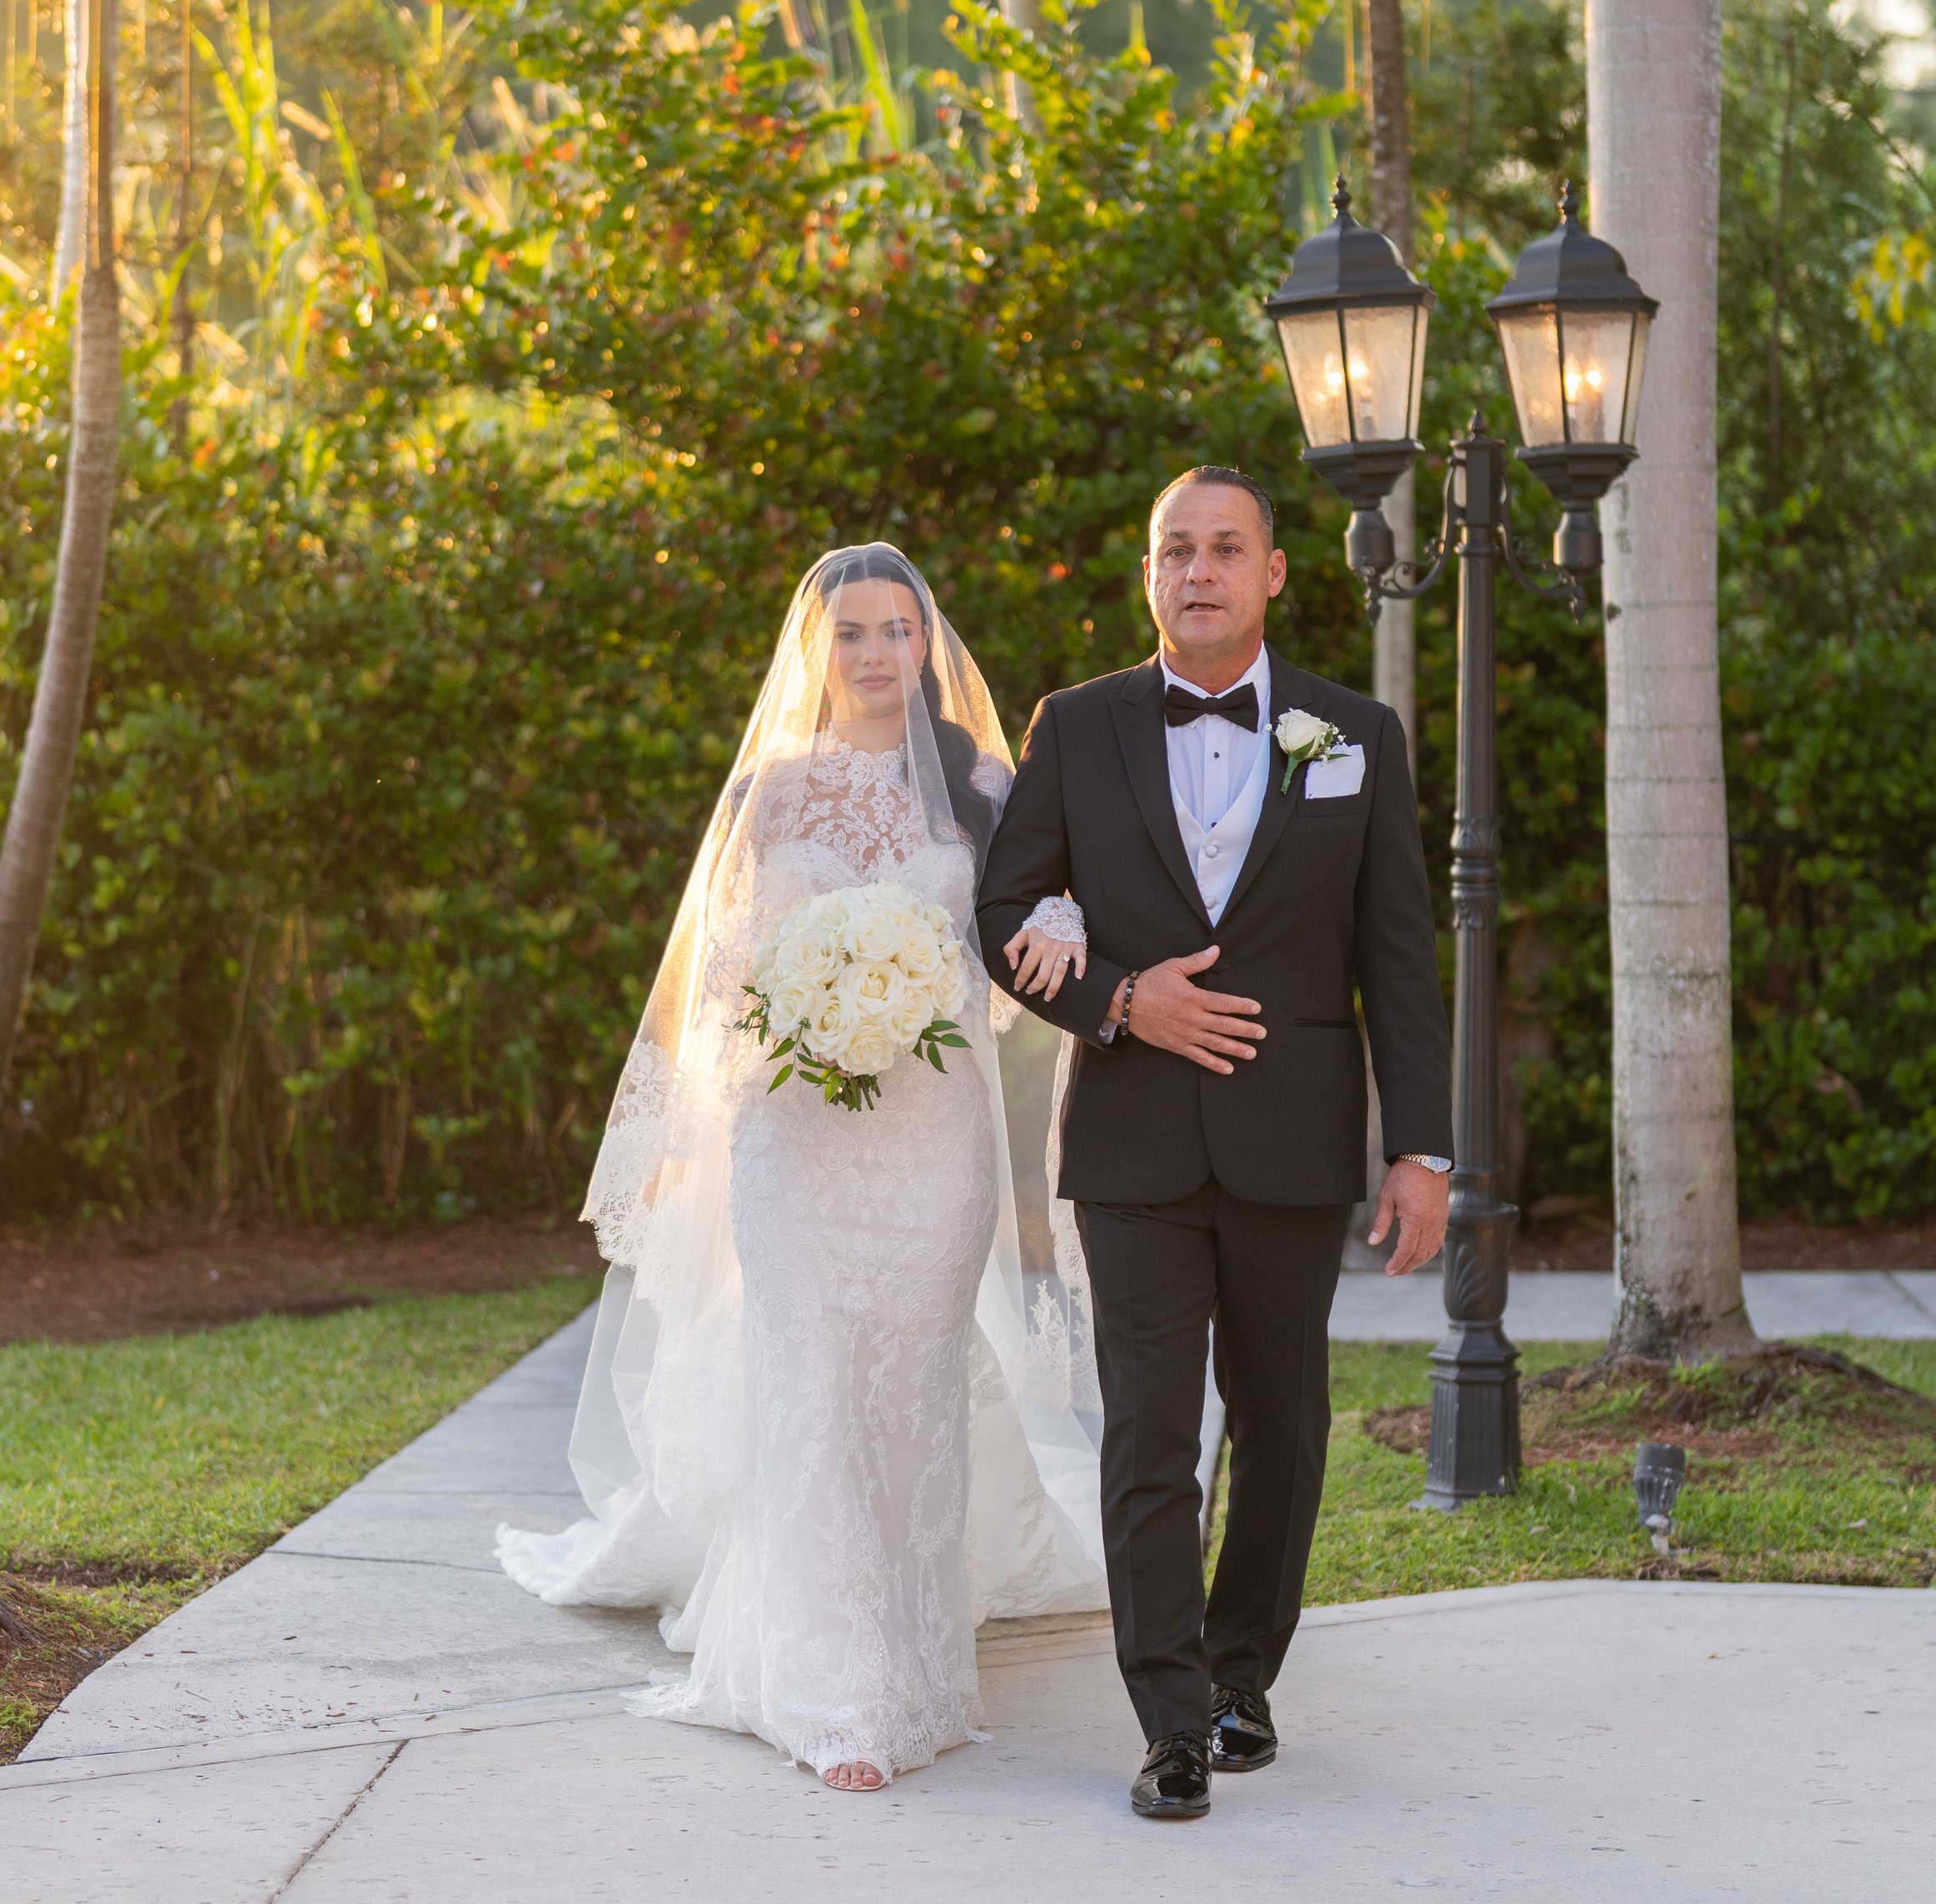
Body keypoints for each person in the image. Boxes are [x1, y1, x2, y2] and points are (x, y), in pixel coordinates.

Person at [497, 545, 1107, 1791]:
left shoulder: (984, 785)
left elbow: (1032, 919)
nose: (880, 654)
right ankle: (835, 1691)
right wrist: (817, 1010)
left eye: (900, 630)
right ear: (817, 651)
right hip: (794, 1136)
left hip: (932, 1145)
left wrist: (1057, 925)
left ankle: (919, 1663)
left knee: (911, 1385)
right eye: (855, 634)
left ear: (928, 645)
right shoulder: (767, 797)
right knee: (818, 1388)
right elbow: (719, 981)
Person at [976, 467, 1453, 1822]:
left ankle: (1246, 1672)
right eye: (1174, 549)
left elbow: (1397, 957)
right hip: (1130, 1142)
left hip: (1294, 1141)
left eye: (1224, 548)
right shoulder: (1077, 726)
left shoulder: (1354, 732)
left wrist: (1422, 1149)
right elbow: (1006, 909)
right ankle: (1171, 1718)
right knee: (1147, 1433)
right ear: (1148, 575)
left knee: (1287, 1426)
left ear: (1273, 572)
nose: (1198, 569)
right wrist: (1123, 997)